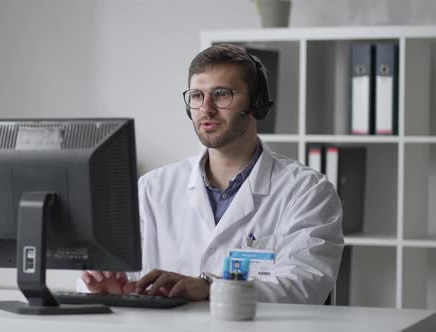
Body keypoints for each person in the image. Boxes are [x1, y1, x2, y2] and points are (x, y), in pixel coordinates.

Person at [78, 43, 344, 304]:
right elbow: (111, 275)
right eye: (196, 95)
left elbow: (305, 286)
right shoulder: (151, 189)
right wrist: (110, 289)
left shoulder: (307, 191)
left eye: (221, 94)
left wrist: (211, 286)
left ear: (256, 103)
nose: (206, 108)